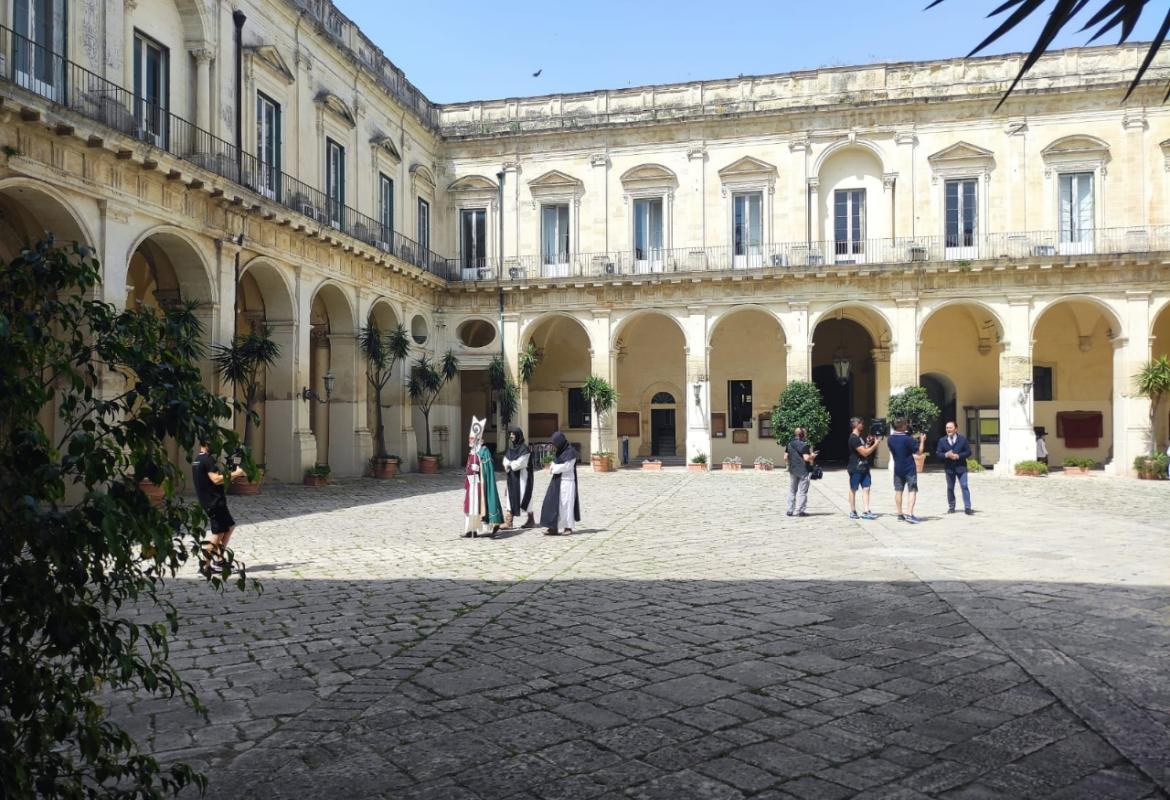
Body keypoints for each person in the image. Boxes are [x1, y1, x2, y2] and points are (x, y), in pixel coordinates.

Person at [192, 440, 246, 575]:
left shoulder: (198, 459)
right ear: (206, 444)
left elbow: (213, 479)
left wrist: (229, 473)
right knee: (218, 533)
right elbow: (215, 479)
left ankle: (219, 559)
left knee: (229, 527)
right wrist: (236, 473)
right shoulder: (207, 459)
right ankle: (205, 565)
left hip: (214, 501)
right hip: (213, 502)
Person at [463, 416, 503, 538]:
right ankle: (470, 529)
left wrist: (479, 465)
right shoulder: (472, 452)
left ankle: (486, 529)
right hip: (472, 484)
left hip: (481, 484)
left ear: (477, 439)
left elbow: (488, 469)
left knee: (481, 505)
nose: (469, 440)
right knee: (471, 506)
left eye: (472, 438)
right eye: (469, 438)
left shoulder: (484, 451)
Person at [540, 431, 580, 535]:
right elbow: (557, 463)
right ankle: (553, 527)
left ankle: (568, 527)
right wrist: (554, 465)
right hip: (557, 481)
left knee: (566, 505)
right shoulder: (560, 452)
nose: (554, 446)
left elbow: (567, 466)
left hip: (567, 482)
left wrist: (553, 467)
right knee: (553, 504)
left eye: (554, 443)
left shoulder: (571, 452)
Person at [887, 417, 925, 524]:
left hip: (897, 468)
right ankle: (909, 514)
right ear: (904, 426)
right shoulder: (908, 439)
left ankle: (899, 514)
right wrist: (922, 441)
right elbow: (919, 452)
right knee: (912, 490)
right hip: (909, 468)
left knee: (898, 490)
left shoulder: (890, 439)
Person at [936, 420, 974, 515]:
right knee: (950, 487)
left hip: (961, 467)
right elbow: (938, 453)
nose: (948, 429)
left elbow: (968, 452)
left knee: (964, 486)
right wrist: (946, 455)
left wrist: (958, 456)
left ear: (956, 429)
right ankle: (951, 507)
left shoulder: (962, 439)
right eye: (947, 428)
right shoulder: (942, 440)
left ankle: (968, 507)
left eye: (950, 427)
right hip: (949, 468)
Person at [502, 426, 536, 529]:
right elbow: (505, 459)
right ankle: (509, 521)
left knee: (524, 497)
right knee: (510, 497)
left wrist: (510, 465)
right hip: (512, 477)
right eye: (510, 434)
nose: (511, 436)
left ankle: (531, 519)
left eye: (513, 434)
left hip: (522, 478)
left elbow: (522, 462)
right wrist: (508, 464)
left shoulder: (524, 449)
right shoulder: (511, 448)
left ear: (518, 435)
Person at [847, 417, 880, 520]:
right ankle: (853, 511)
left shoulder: (860, 437)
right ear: (856, 425)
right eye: (861, 423)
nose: (863, 425)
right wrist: (875, 444)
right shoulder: (854, 438)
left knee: (866, 488)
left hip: (864, 467)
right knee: (853, 489)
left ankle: (866, 510)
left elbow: (864, 448)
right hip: (856, 468)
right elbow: (865, 452)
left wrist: (869, 443)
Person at [785, 426, 817, 517]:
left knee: (792, 490)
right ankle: (799, 511)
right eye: (805, 433)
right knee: (802, 491)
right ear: (802, 435)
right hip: (803, 471)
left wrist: (790, 464)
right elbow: (806, 458)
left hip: (793, 470)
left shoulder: (789, 444)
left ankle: (790, 510)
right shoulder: (804, 445)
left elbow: (785, 457)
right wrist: (813, 456)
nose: (806, 435)